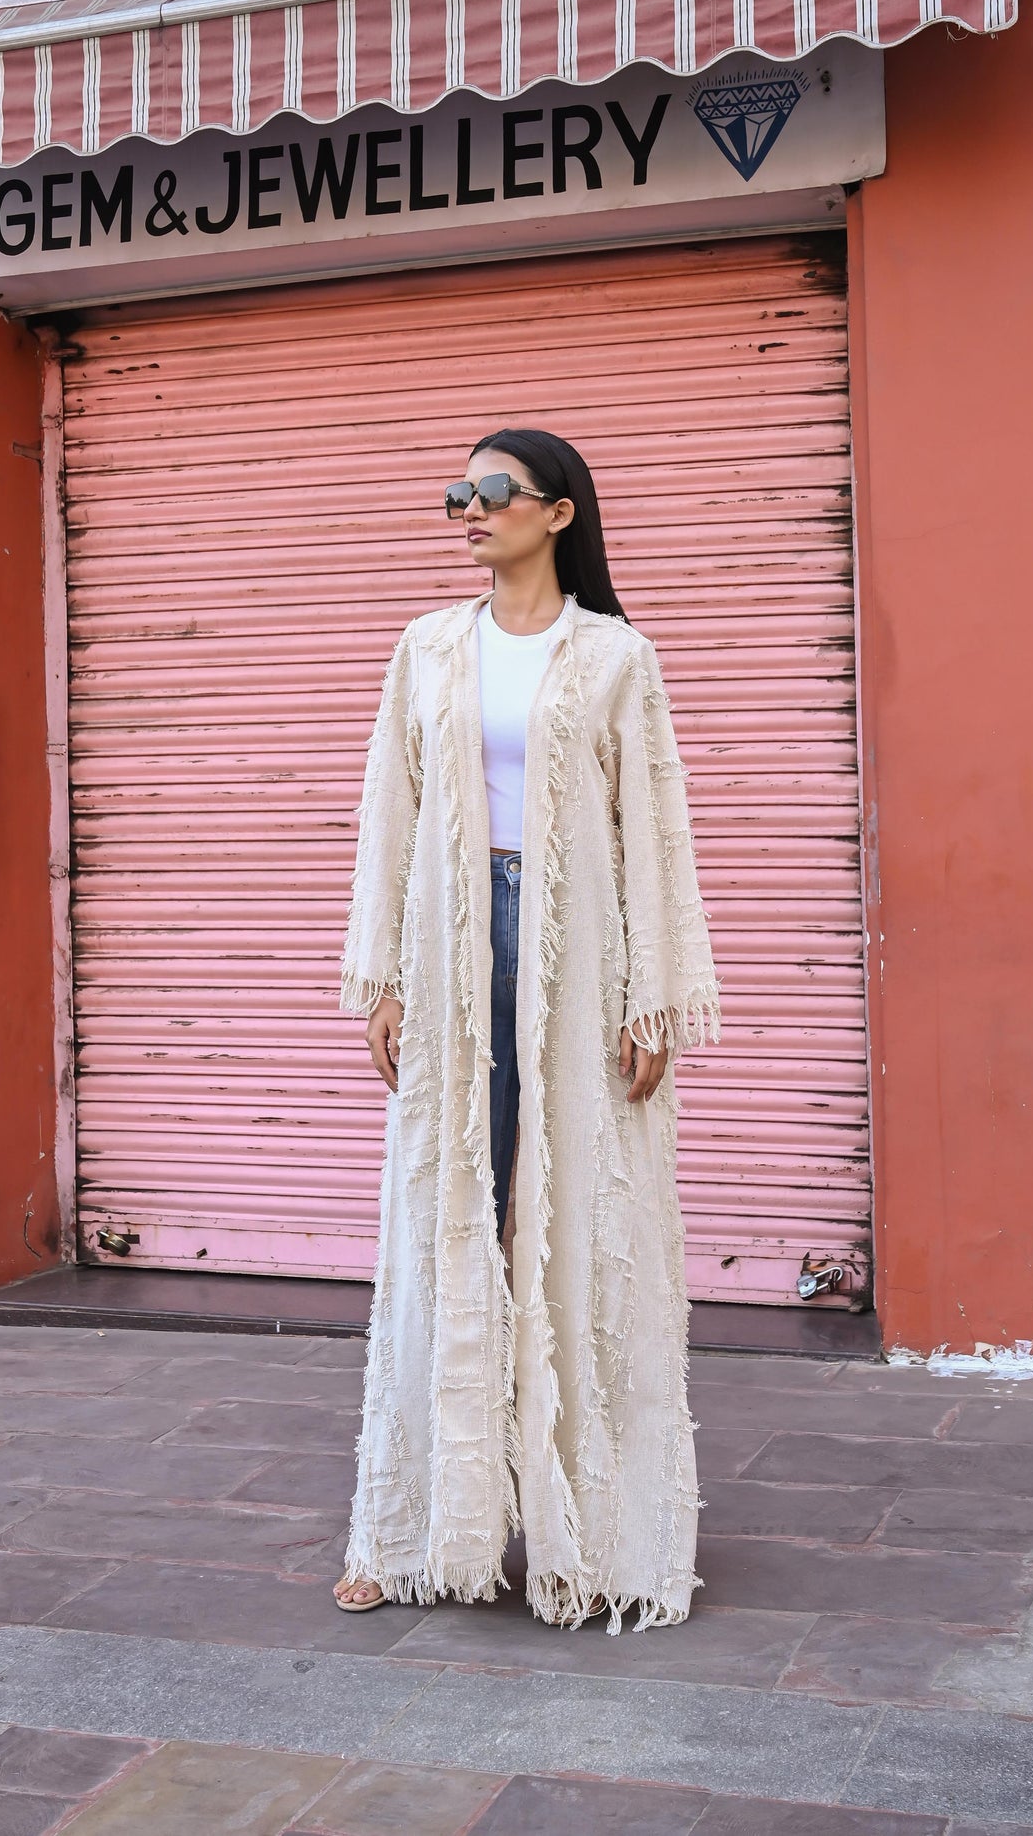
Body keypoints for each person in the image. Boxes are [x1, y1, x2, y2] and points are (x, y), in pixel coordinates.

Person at [332, 428, 719, 1634]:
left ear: (557, 512)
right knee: (442, 1220)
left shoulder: (614, 657)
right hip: (452, 951)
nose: (468, 507)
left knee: (577, 1226)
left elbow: (653, 828)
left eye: (492, 490)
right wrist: (382, 974)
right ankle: (404, 1538)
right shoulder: (426, 647)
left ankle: (591, 1536)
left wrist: (650, 991)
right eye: (458, 491)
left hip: (575, 952)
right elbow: (385, 815)